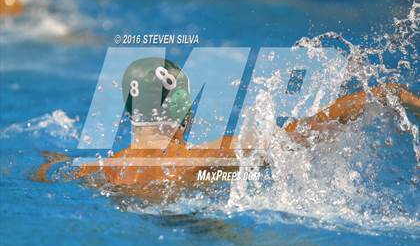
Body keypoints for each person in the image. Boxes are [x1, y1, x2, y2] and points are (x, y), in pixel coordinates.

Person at [38, 57, 420, 203]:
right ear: (185, 114)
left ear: (129, 113)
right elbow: (307, 133)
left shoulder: (95, 169)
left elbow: (45, 172)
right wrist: (383, 94)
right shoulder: (204, 159)